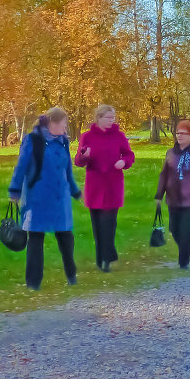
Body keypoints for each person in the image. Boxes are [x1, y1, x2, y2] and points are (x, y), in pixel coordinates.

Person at [8, 107, 82, 290]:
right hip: (37, 198)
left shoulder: (64, 142)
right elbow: (21, 167)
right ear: (52, 123)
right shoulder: (32, 140)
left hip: (60, 198)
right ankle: (33, 283)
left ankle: (72, 275)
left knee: (66, 237)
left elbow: (68, 172)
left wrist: (76, 192)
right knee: (35, 239)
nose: (65, 129)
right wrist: (15, 191)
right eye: (64, 124)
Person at [74, 104, 135, 272]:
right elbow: (78, 161)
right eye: (108, 117)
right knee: (97, 224)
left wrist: (124, 162)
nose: (111, 120)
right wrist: (84, 156)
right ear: (99, 118)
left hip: (113, 185)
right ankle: (101, 258)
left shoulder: (119, 136)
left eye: (113, 117)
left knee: (109, 223)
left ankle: (106, 259)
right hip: (94, 185)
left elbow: (129, 155)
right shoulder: (87, 137)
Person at [155, 119, 190, 269]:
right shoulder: (170, 153)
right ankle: (184, 248)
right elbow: (164, 175)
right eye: (177, 133)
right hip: (173, 198)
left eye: (183, 133)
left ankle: (183, 261)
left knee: (185, 229)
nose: (179, 136)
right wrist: (159, 195)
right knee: (174, 229)